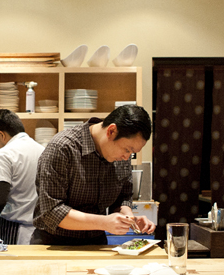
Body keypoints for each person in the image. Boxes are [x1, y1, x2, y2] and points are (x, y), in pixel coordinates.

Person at [31, 104, 154, 245]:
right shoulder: (62, 148)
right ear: (111, 131)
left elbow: (123, 198)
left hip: (96, 242)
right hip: (54, 243)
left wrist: (129, 218)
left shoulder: (121, 157)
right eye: (127, 149)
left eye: (132, 153)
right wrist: (103, 222)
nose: (127, 157)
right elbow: (52, 212)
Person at [0, 109, 44, 245]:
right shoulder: (42, 150)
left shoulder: (4, 154)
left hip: (14, 231)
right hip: (39, 233)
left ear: (1, 135)